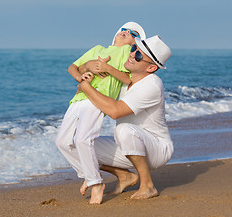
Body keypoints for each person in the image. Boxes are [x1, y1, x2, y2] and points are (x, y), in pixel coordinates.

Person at [56, 22, 146, 204]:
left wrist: (108, 69)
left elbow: (128, 79)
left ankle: (96, 183)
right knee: (62, 142)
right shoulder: (97, 49)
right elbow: (72, 68)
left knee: (83, 139)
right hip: (79, 98)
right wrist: (81, 75)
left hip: (98, 100)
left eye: (132, 33)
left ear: (134, 44)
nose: (126, 32)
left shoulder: (125, 55)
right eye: (123, 30)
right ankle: (90, 176)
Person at [77, 35, 174, 203]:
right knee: (77, 143)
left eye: (138, 55)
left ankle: (148, 186)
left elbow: (115, 111)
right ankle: (124, 175)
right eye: (133, 49)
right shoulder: (122, 79)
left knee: (124, 130)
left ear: (151, 68)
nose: (132, 54)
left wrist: (85, 87)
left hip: (156, 148)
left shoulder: (152, 85)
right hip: (129, 144)